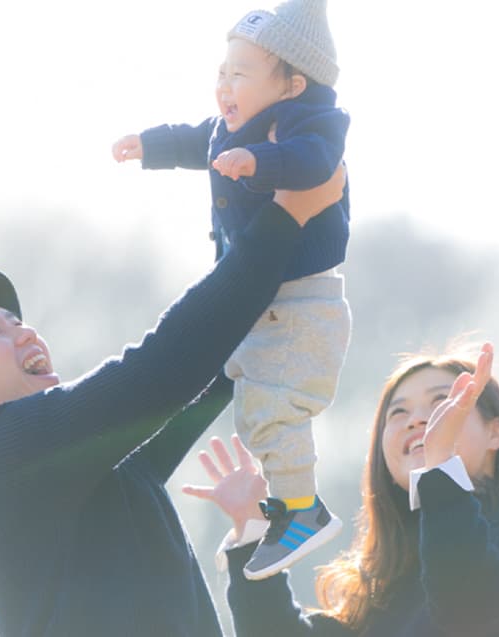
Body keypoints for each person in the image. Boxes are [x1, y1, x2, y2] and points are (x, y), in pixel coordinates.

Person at [0, 167, 344, 637]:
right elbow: (155, 374)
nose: (24, 331)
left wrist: (265, 265)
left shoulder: (74, 468)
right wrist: (281, 221)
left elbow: (193, 382)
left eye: (16, 319)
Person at [112, 0, 351, 580]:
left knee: (273, 412)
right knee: (254, 412)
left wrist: (259, 161)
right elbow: (200, 141)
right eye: (222, 72)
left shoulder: (310, 121)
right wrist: (152, 145)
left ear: (293, 84)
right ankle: (281, 507)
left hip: (302, 305)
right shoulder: (231, 129)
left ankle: (303, 511)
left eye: (240, 73)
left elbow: (314, 161)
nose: (224, 86)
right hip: (268, 306)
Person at [186, 344, 499, 636]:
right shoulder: (382, 589)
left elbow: (467, 607)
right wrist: (253, 531)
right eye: (399, 412)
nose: (418, 420)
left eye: (442, 403)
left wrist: (440, 462)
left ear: (495, 431)